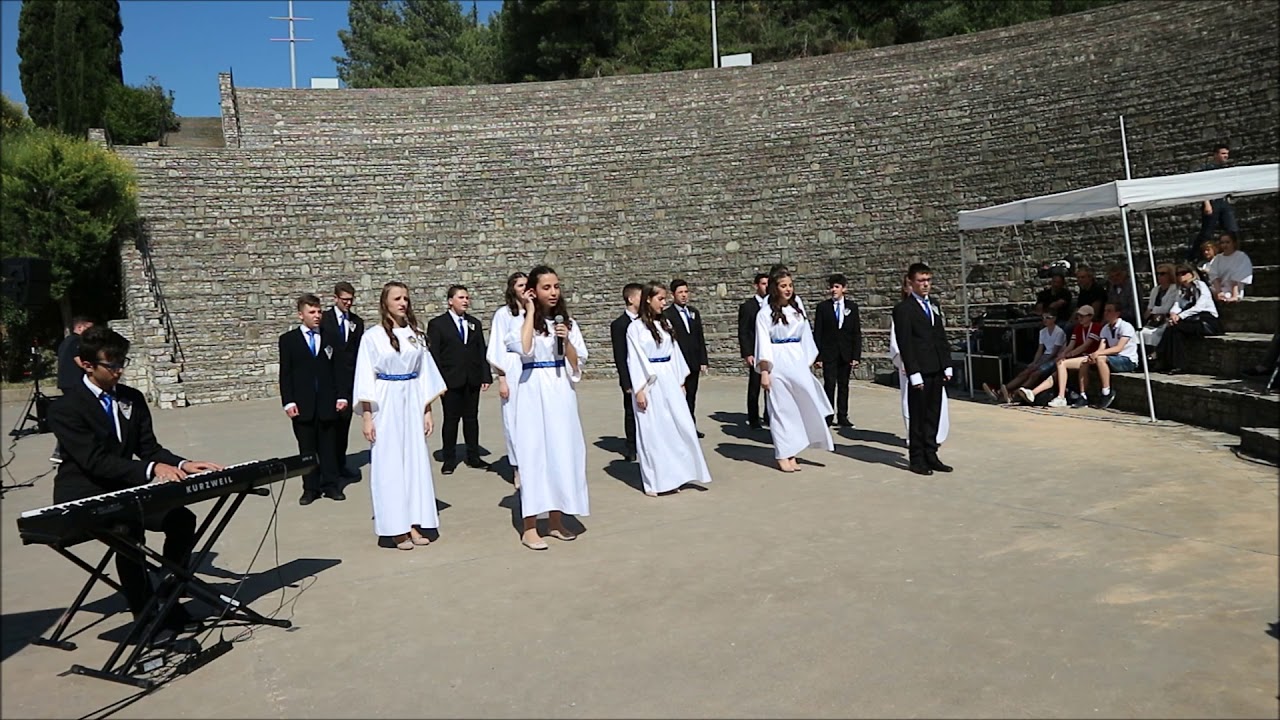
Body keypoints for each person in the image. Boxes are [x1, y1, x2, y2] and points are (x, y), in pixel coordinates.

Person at [48, 325, 222, 638]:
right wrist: (152, 469)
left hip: (125, 487)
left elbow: (148, 448)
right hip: (85, 494)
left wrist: (182, 463)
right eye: (111, 365)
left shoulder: (132, 398)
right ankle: (145, 615)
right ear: (86, 364)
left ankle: (169, 596)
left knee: (182, 519)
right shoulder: (65, 408)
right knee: (128, 534)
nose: (119, 371)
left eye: (122, 362)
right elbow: (94, 461)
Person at [353, 282, 448, 551]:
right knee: (390, 464)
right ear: (386, 302)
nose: (403, 303)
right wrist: (368, 416)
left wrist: (427, 410)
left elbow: (425, 374)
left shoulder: (415, 334)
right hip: (386, 402)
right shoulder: (372, 337)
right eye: (397, 298)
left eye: (406, 298)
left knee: (414, 463)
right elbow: (364, 377)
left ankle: (415, 522)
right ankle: (396, 528)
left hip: (411, 402)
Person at [506, 265, 589, 551]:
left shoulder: (567, 323)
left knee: (561, 454)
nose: (553, 292)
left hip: (560, 393)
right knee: (535, 455)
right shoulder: (520, 320)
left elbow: (578, 363)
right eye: (546, 287)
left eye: (556, 286)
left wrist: (564, 341)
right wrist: (529, 311)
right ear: (533, 290)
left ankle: (556, 519)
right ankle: (529, 526)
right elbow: (524, 348)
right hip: (533, 392)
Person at [627, 282, 713, 496]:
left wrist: (680, 380)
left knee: (676, 426)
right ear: (648, 299)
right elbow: (634, 359)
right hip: (649, 380)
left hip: (669, 378)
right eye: (660, 299)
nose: (664, 303)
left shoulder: (664, 323)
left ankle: (679, 473)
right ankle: (655, 480)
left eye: (665, 299)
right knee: (653, 431)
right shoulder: (635, 328)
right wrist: (639, 389)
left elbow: (674, 351)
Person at [755, 268, 834, 473]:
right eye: (783, 286)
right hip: (777, 362)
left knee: (801, 405)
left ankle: (793, 450)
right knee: (781, 409)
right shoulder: (764, 314)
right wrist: (765, 371)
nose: (788, 289)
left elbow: (806, 335)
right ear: (775, 288)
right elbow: (763, 343)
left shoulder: (796, 309)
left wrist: (808, 360)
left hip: (797, 361)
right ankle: (783, 453)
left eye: (790, 285)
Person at [279, 294, 349, 505]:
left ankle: (331, 485)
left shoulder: (331, 337)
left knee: (329, 447)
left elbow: (339, 369)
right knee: (307, 450)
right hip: (303, 405)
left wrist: (342, 395)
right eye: (312, 312)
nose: (317, 316)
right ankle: (310, 488)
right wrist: (289, 401)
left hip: (328, 403)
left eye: (319, 311)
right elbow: (286, 374)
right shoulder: (289, 340)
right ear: (301, 315)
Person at [891, 262, 953, 476]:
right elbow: (905, 343)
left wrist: (947, 363)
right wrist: (913, 372)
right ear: (911, 282)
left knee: (933, 413)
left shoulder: (933, 304)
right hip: (920, 369)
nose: (925, 285)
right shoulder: (903, 309)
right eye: (920, 281)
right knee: (918, 415)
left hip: (936, 366)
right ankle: (917, 458)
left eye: (928, 280)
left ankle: (931, 453)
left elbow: (940, 335)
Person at [426, 285, 492, 474]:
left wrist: (485, 375)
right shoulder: (438, 324)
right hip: (450, 380)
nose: (465, 301)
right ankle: (449, 458)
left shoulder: (474, 323)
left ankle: (474, 456)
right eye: (461, 297)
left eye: (467, 298)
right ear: (450, 301)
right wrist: (438, 382)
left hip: (472, 378)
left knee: (471, 419)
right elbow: (435, 354)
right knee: (451, 420)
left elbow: (481, 349)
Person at [486, 272, 528, 487]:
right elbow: (496, 347)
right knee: (513, 420)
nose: (524, 288)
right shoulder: (504, 314)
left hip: (532, 367)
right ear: (512, 289)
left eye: (527, 284)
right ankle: (518, 466)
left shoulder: (534, 311)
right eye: (520, 285)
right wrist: (501, 378)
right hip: (512, 369)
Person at [320, 282, 363, 480]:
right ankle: (324, 467)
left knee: (343, 427)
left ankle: (340, 463)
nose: (348, 303)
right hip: (328, 380)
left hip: (348, 382)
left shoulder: (357, 322)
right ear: (335, 298)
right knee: (327, 428)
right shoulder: (324, 320)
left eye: (350, 300)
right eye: (344, 299)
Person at [1019, 305, 1103, 407]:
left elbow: (1085, 346)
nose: (1080, 318)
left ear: (1090, 316)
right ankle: (1034, 393)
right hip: (1078, 357)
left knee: (1062, 363)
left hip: (1089, 357)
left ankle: (1061, 396)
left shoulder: (1096, 327)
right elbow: (1071, 345)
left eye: (1083, 316)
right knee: (1055, 373)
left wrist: (1068, 355)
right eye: (1079, 316)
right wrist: (1063, 354)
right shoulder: (1077, 328)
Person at [1059, 302, 1138, 410]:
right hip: (1112, 358)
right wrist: (1094, 355)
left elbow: (1119, 348)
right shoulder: (1105, 328)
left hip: (1127, 359)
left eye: (1109, 311)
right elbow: (1102, 347)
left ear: (1117, 313)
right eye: (1105, 311)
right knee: (1086, 361)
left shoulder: (1126, 327)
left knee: (1100, 359)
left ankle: (1106, 392)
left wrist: (1097, 354)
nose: (1106, 313)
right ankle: (1083, 395)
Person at [813, 273, 862, 427]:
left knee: (844, 385)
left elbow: (856, 332)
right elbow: (818, 333)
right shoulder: (823, 308)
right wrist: (818, 356)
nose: (833, 290)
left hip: (845, 353)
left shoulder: (852, 308)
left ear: (844, 289)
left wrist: (856, 355)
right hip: (829, 353)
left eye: (837, 287)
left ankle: (843, 415)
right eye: (832, 287)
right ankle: (828, 415)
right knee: (829, 384)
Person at [984, 312, 1065, 404]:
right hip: (1045, 356)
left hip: (1053, 359)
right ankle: (1001, 391)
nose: (1045, 320)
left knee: (1035, 374)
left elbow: (1054, 352)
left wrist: (1038, 364)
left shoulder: (1059, 332)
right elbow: (1040, 349)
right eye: (1043, 318)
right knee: (1025, 372)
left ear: (1054, 318)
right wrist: (1034, 362)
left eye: (1048, 317)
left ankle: (1014, 394)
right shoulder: (1042, 332)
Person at [662, 278, 709, 435]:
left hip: (694, 361)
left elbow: (699, 337)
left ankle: (691, 426)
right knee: (679, 396)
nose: (684, 295)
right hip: (678, 363)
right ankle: (678, 428)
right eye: (680, 292)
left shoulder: (694, 312)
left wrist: (703, 360)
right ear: (673, 295)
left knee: (691, 396)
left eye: (686, 292)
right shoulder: (667, 314)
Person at [1156, 264, 1221, 374]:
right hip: (1192, 319)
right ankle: (1168, 362)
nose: (1180, 276)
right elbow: (1177, 304)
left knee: (1175, 328)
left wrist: (1180, 316)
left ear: (1191, 274)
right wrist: (1173, 314)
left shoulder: (1200, 286)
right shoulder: (1181, 290)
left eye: (1183, 273)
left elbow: (1200, 306)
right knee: (1172, 328)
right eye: (1178, 274)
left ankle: (1165, 358)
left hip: (1206, 321)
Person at [51, 315, 95, 465]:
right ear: (80, 327)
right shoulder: (77, 341)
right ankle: (61, 450)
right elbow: (80, 361)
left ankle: (61, 450)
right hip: (75, 382)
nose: (91, 332)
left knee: (76, 415)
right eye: (88, 328)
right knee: (82, 416)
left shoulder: (66, 341)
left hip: (65, 382)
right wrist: (94, 370)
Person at [610, 283, 643, 462]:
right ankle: (631, 446)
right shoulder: (619, 324)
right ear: (631, 299)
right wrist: (626, 382)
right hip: (631, 375)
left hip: (646, 375)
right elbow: (620, 355)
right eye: (640, 296)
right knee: (631, 411)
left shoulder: (646, 321)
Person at [1191, 143, 1238, 259]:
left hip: (1224, 202)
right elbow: (1202, 186)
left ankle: (1233, 254)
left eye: (1227, 154)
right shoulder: (1207, 169)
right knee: (1207, 232)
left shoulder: (1226, 169)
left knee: (1232, 229)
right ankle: (1194, 256)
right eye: (1223, 153)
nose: (1226, 156)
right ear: (1215, 155)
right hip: (1212, 202)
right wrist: (1206, 202)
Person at [737, 272, 771, 429]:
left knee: (771, 384)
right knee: (755, 386)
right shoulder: (748, 307)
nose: (766, 286)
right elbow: (743, 331)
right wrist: (747, 353)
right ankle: (753, 418)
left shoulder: (773, 304)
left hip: (770, 351)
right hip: (755, 352)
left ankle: (769, 415)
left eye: (768, 283)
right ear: (756, 286)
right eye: (763, 283)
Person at [1140, 263, 1180, 351]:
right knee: (1140, 334)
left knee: (1155, 335)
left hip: (1166, 321)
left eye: (1162, 274)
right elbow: (1149, 308)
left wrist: (1153, 310)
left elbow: (1167, 308)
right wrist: (1152, 312)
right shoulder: (1155, 290)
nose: (1159, 276)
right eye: (1157, 274)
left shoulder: (1175, 289)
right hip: (1154, 322)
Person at [1206, 232, 1253, 302]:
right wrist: (1219, 292)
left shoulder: (1241, 257)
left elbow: (1238, 277)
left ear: (1234, 243)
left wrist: (1234, 295)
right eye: (1222, 243)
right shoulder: (1218, 258)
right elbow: (1214, 276)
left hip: (1234, 290)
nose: (1225, 245)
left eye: (1228, 242)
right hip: (1218, 288)